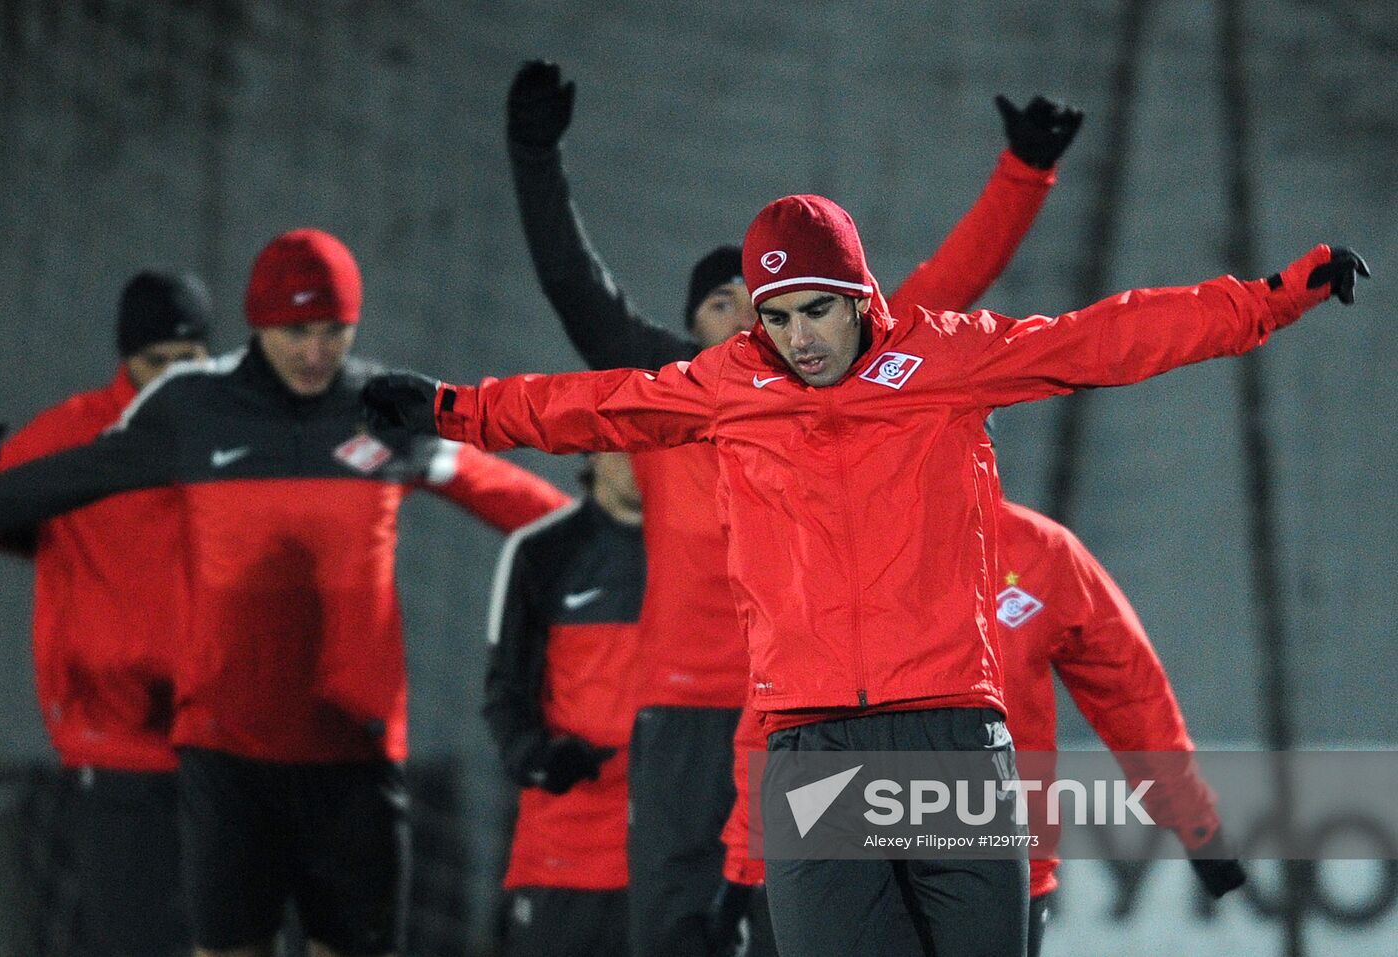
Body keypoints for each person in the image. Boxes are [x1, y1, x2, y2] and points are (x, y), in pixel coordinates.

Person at [362, 190, 1367, 956]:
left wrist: (1272, 301)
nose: (798, 337)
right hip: (814, 748)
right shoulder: (732, 383)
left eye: (816, 311)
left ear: (858, 297)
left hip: (948, 738)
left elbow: (1112, 337)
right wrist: (455, 409)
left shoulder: (944, 359)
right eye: (778, 315)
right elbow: (594, 407)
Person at [505, 58, 1082, 956]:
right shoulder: (671, 392)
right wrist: (533, 155)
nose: (760, 318)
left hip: (825, 715)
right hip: (688, 713)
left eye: (772, 302)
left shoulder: (867, 373)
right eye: (728, 302)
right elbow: (573, 284)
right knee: (670, 931)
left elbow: (954, 278)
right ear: (689, 325)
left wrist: (1024, 171)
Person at [0, 229, 570, 957]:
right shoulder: (195, 413)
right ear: (261, 324)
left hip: (353, 758)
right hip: (227, 762)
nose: (314, 350)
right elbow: (57, 482)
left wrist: (615, 539)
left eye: (334, 330)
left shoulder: (387, 406)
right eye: (297, 330)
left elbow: (497, 486)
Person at [714, 494, 1249, 957]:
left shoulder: (1040, 552)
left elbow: (1131, 694)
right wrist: (745, 859)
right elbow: (776, 712)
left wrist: (1194, 822)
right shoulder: (834, 559)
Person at [0, 271, 211, 957]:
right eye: (156, 363)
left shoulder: (236, 432)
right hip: (116, 748)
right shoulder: (73, 433)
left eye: (189, 361)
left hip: (230, 747)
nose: (172, 380)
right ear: (127, 359)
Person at [483, 452, 645, 956]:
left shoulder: (715, 546)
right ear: (592, 448)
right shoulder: (540, 552)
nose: (642, 459)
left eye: (655, 440)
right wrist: (540, 761)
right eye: (624, 441)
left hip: (680, 855)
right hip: (566, 849)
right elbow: (505, 697)